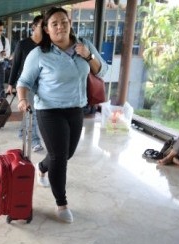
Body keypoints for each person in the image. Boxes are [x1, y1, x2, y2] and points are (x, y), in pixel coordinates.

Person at [16, 7, 108, 223]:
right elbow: (24, 82)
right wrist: (21, 99)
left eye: (63, 22)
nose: (60, 26)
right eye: (54, 23)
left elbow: (102, 71)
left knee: (66, 154)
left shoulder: (83, 45)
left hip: (76, 108)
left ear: (70, 23)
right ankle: (61, 203)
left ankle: (42, 167)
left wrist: (89, 55)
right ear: (47, 29)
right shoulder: (39, 54)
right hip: (49, 110)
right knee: (59, 158)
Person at [7, 15, 44, 152]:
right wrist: (10, 84)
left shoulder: (47, 45)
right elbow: (15, 65)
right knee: (32, 112)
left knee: (31, 112)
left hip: (42, 84)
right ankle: (35, 141)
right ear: (33, 27)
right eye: (42, 26)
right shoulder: (23, 44)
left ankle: (22, 132)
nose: (46, 29)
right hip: (27, 85)